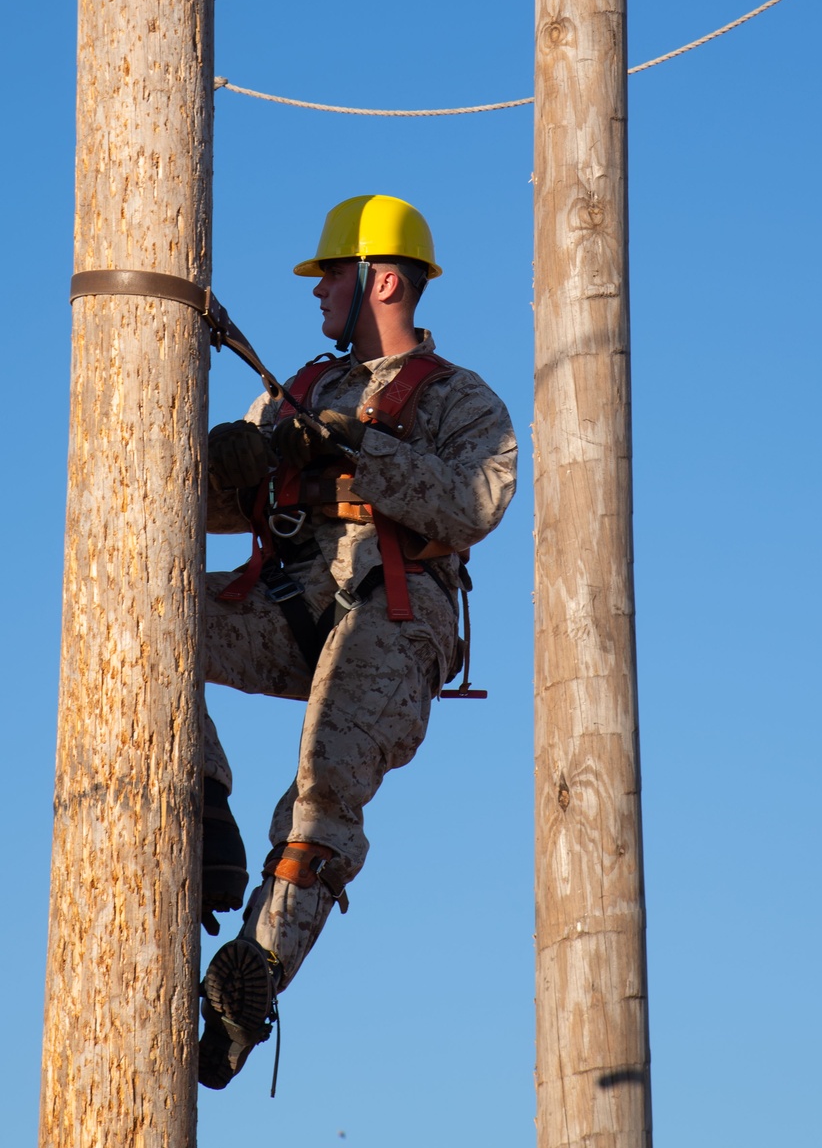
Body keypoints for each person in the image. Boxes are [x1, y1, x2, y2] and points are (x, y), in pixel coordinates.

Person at [197, 194, 517, 1090]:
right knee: (148, 610)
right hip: (293, 601)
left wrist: (361, 450)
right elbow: (220, 501)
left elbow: (475, 503)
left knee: (324, 786)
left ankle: (246, 985)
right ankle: (205, 794)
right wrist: (236, 464)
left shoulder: (463, 400)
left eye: (329, 274)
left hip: (393, 614)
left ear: (380, 278)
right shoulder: (303, 385)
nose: (317, 292)